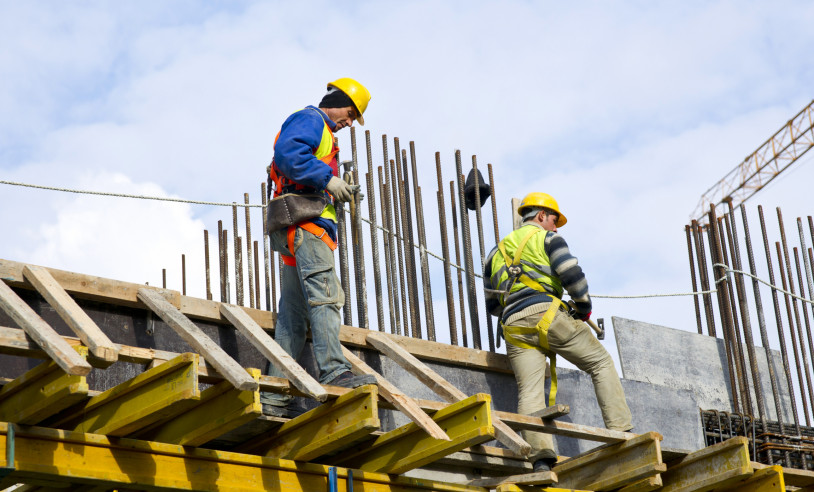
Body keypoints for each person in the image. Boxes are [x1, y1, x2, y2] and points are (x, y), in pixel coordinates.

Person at [483, 192, 632, 472]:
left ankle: (540, 459)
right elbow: (572, 275)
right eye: (554, 220)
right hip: (548, 315)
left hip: (513, 326)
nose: (556, 226)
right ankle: (622, 432)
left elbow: (492, 305)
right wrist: (584, 308)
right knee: (600, 363)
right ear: (540, 216)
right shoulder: (548, 239)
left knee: (529, 392)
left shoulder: (494, 253)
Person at [261, 78, 376, 418]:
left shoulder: (323, 133)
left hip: (296, 229)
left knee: (293, 319)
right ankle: (334, 371)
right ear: (336, 101)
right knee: (327, 297)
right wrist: (328, 180)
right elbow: (288, 155)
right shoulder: (312, 120)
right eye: (350, 113)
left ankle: (275, 395)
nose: (350, 122)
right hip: (307, 228)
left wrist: (333, 185)